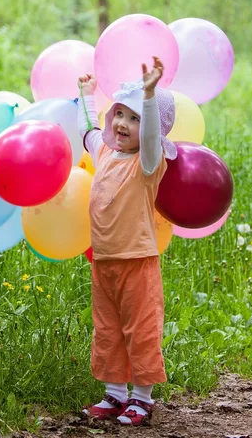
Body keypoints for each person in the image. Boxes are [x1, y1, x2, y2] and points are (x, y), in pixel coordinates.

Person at [77, 57, 177, 426]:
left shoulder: (148, 162)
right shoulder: (104, 152)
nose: (123, 123)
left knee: (141, 329)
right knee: (107, 329)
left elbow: (150, 136)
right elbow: (87, 131)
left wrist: (148, 96)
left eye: (134, 118)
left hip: (137, 259)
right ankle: (115, 394)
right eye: (120, 114)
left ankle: (142, 399)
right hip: (103, 260)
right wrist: (85, 95)